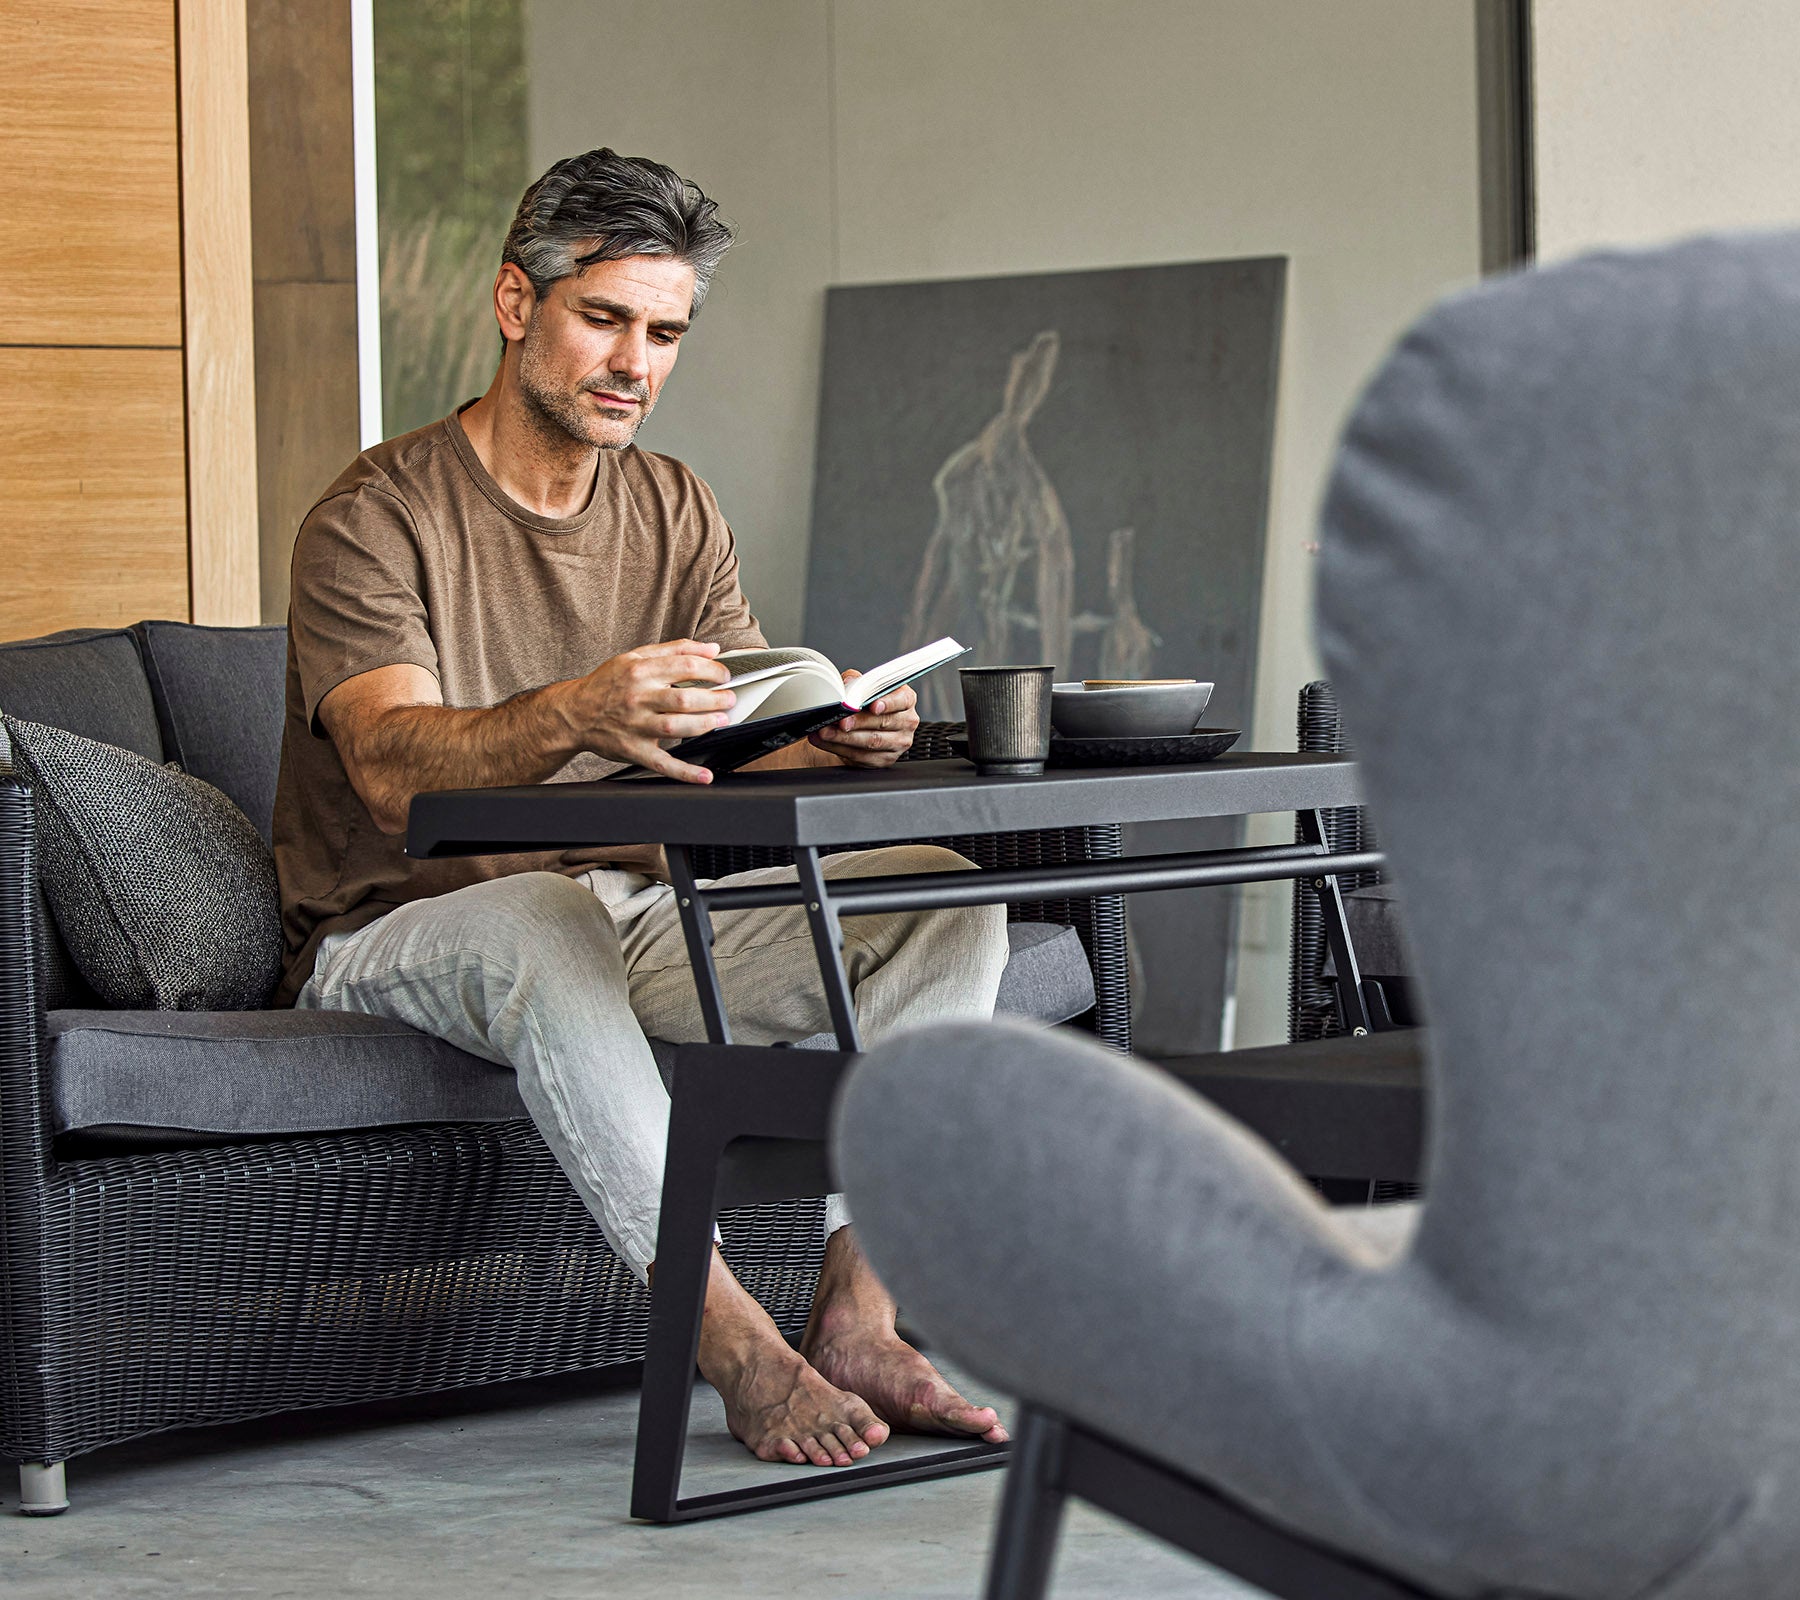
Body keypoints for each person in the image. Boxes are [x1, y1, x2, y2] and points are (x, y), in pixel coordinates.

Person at [272, 148, 1012, 1469]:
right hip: (396, 930)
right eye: (602, 318)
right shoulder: (376, 516)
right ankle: (737, 1349)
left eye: (664, 332)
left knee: (950, 899)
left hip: (633, 910)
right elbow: (388, 766)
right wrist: (575, 712)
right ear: (516, 304)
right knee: (547, 918)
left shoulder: (675, 506)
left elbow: (729, 747)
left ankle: (858, 1313)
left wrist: (834, 741)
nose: (635, 362)